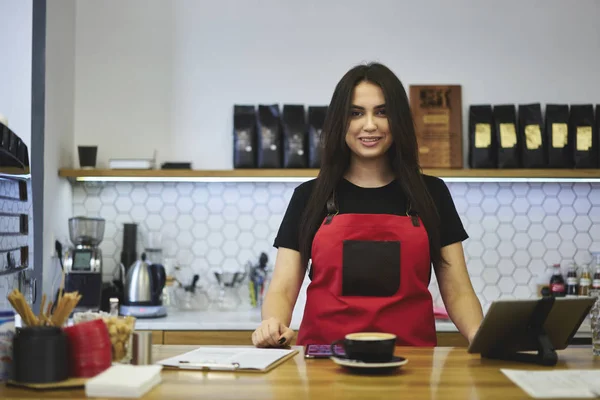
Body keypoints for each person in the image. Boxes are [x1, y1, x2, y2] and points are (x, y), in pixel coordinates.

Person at [251, 62, 483, 348]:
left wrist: (479, 335)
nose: (370, 125)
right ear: (340, 121)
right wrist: (273, 323)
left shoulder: (431, 193)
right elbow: (283, 288)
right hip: (325, 366)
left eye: (382, 112)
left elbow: (457, 289)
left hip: (412, 366)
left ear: (398, 121)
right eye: (356, 113)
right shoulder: (308, 196)